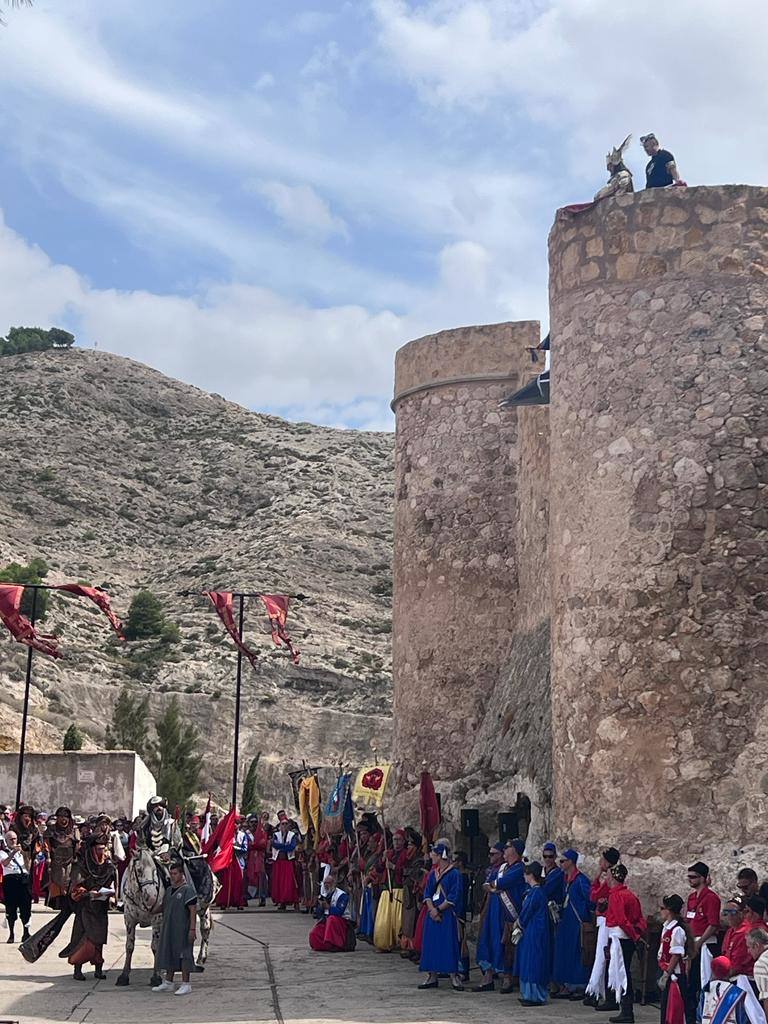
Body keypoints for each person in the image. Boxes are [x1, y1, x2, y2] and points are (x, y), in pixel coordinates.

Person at [67, 834, 116, 981]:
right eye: (99, 849)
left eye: (104, 849)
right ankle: (77, 969)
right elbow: (75, 890)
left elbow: (113, 884)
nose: (103, 852)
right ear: (93, 850)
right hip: (85, 908)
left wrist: (111, 893)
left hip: (100, 908)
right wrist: (88, 894)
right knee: (82, 939)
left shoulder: (108, 866)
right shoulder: (82, 865)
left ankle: (98, 969)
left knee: (99, 939)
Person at [417, 839, 464, 992]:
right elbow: (427, 893)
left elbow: (453, 896)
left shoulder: (454, 874)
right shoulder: (433, 874)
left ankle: (454, 975)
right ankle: (432, 975)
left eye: (433, 853)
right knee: (431, 945)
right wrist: (432, 909)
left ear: (440, 855)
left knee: (448, 944)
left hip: (447, 914)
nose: (431, 856)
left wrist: (438, 910)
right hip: (432, 914)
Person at [604, 863, 646, 1024]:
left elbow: (621, 920)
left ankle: (627, 1011)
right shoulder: (631, 895)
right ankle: (625, 1008)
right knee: (624, 971)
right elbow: (638, 918)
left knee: (621, 973)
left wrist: (634, 936)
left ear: (613, 878)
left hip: (620, 937)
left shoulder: (616, 896)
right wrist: (636, 934)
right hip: (627, 937)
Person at [152, 859, 198, 996]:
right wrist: (151, 909)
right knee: (169, 953)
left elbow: (193, 911)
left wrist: (192, 929)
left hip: (182, 929)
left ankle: (186, 984)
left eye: (175, 873)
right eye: (171, 873)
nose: (173, 876)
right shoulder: (169, 890)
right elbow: (164, 906)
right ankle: (168, 982)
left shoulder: (188, 890)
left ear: (182, 874)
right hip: (169, 928)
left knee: (184, 955)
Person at [685, 861, 722, 1024]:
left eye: (693, 877)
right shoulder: (691, 897)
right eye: (689, 877)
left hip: (705, 944)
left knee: (704, 980)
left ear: (703, 878)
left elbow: (713, 924)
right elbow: (688, 920)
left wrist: (698, 944)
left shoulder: (711, 898)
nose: (690, 879)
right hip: (693, 942)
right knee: (692, 982)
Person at [553, 848, 592, 999]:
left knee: (578, 954)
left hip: (577, 923)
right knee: (566, 953)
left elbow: (590, 900)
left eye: (563, 861)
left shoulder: (580, 880)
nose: (560, 864)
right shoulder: (565, 880)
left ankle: (579, 986)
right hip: (566, 922)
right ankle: (567, 985)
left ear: (571, 862)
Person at [586, 847, 622, 1008]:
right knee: (602, 957)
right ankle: (597, 992)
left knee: (602, 957)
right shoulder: (610, 876)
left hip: (607, 920)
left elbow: (594, 895)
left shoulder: (609, 878)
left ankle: (599, 992)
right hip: (605, 920)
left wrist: (597, 876)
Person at [517, 861, 552, 1006]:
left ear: (531, 875)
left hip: (534, 931)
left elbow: (527, 911)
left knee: (533, 961)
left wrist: (519, 923)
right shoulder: (536, 891)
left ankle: (534, 996)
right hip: (535, 930)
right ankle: (530, 994)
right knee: (531, 960)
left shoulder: (535, 892)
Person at [373, 828, 407, 952]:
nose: (396, 842)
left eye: (399, 840)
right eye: (394, 840)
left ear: (403, 841)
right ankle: (384, 942)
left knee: (398, 919)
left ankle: (399, 942)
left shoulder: (406, 854)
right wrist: (383, 859)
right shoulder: (389, 853)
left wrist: (393, 867)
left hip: (398, 889)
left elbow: (406, 870)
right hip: (387, 889)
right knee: (384, 918)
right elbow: (378, 868)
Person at [658, 894, 688, 1024]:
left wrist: (667, 974)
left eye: (662, 908)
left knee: (673, 1009)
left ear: (669, 910)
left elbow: (676, 954)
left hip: (674, 974)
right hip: (667, 971)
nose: (660, 911)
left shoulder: (677, 930)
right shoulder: (667, 927)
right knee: (665, 1009)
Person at [309, 871, 356, 952]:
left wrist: (328, 907)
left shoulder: (342, 895)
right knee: (315, 932)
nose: (326, 885)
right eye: (325, 883)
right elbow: (318, 915)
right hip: (327, 920)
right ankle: (324, 945)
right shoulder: (324, 895)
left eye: (328, 883)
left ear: (333, 883)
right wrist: (320, 907)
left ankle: (335, 944)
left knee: (331, 919)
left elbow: (339, 912)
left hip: (341, 922)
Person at [1, 827, 32, 943]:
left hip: (23, 879)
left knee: (26, 907)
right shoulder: (2, 853)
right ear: (6, 841)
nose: (13, 841)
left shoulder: (23, 852)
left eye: (15, 839)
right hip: (11, 880)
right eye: (11, 839)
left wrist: (24, 853)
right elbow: (5, 863)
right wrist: (13, 852)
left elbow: (28, 866)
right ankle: (11, 934)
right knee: (11, 908)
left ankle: (26, 933)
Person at [699, 956, 749, 1024]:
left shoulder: (706, 989)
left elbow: (699, 1015)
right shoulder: (735, 993)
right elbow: (741, 1019)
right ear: (729, 971)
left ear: (712, 971)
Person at [720, 896, 755, 981]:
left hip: (744, 978)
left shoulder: (746, 933)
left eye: (733, 912)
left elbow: (738, 965)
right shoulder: (730, 931)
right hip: (730, 975)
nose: (729, 916)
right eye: (725, 912)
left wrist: (721, 978)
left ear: (743, 913)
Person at [271, 817, 300, 910]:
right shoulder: (276, 835)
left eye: (286, 824)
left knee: (290, 882)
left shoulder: (292, 835)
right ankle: (282, 902)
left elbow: (291, 846)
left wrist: (281, 847)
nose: (284, 826)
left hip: (288, 861)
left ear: (289, 825)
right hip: (278, 862)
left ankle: (295, 901)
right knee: (279, 883)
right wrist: (284, 846)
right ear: (280, 825)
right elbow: (274, 844)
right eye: (282, 824)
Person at [594, 136, 634, 202]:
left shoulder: (623, 175)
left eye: (610, 166)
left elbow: (619, 191)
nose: (608, 169)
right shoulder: (615, 177)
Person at [747, 930, 768, 1016]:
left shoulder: (761, 964)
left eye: (749, 947)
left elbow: (766, 996)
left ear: (756, 945)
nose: (748, 951)